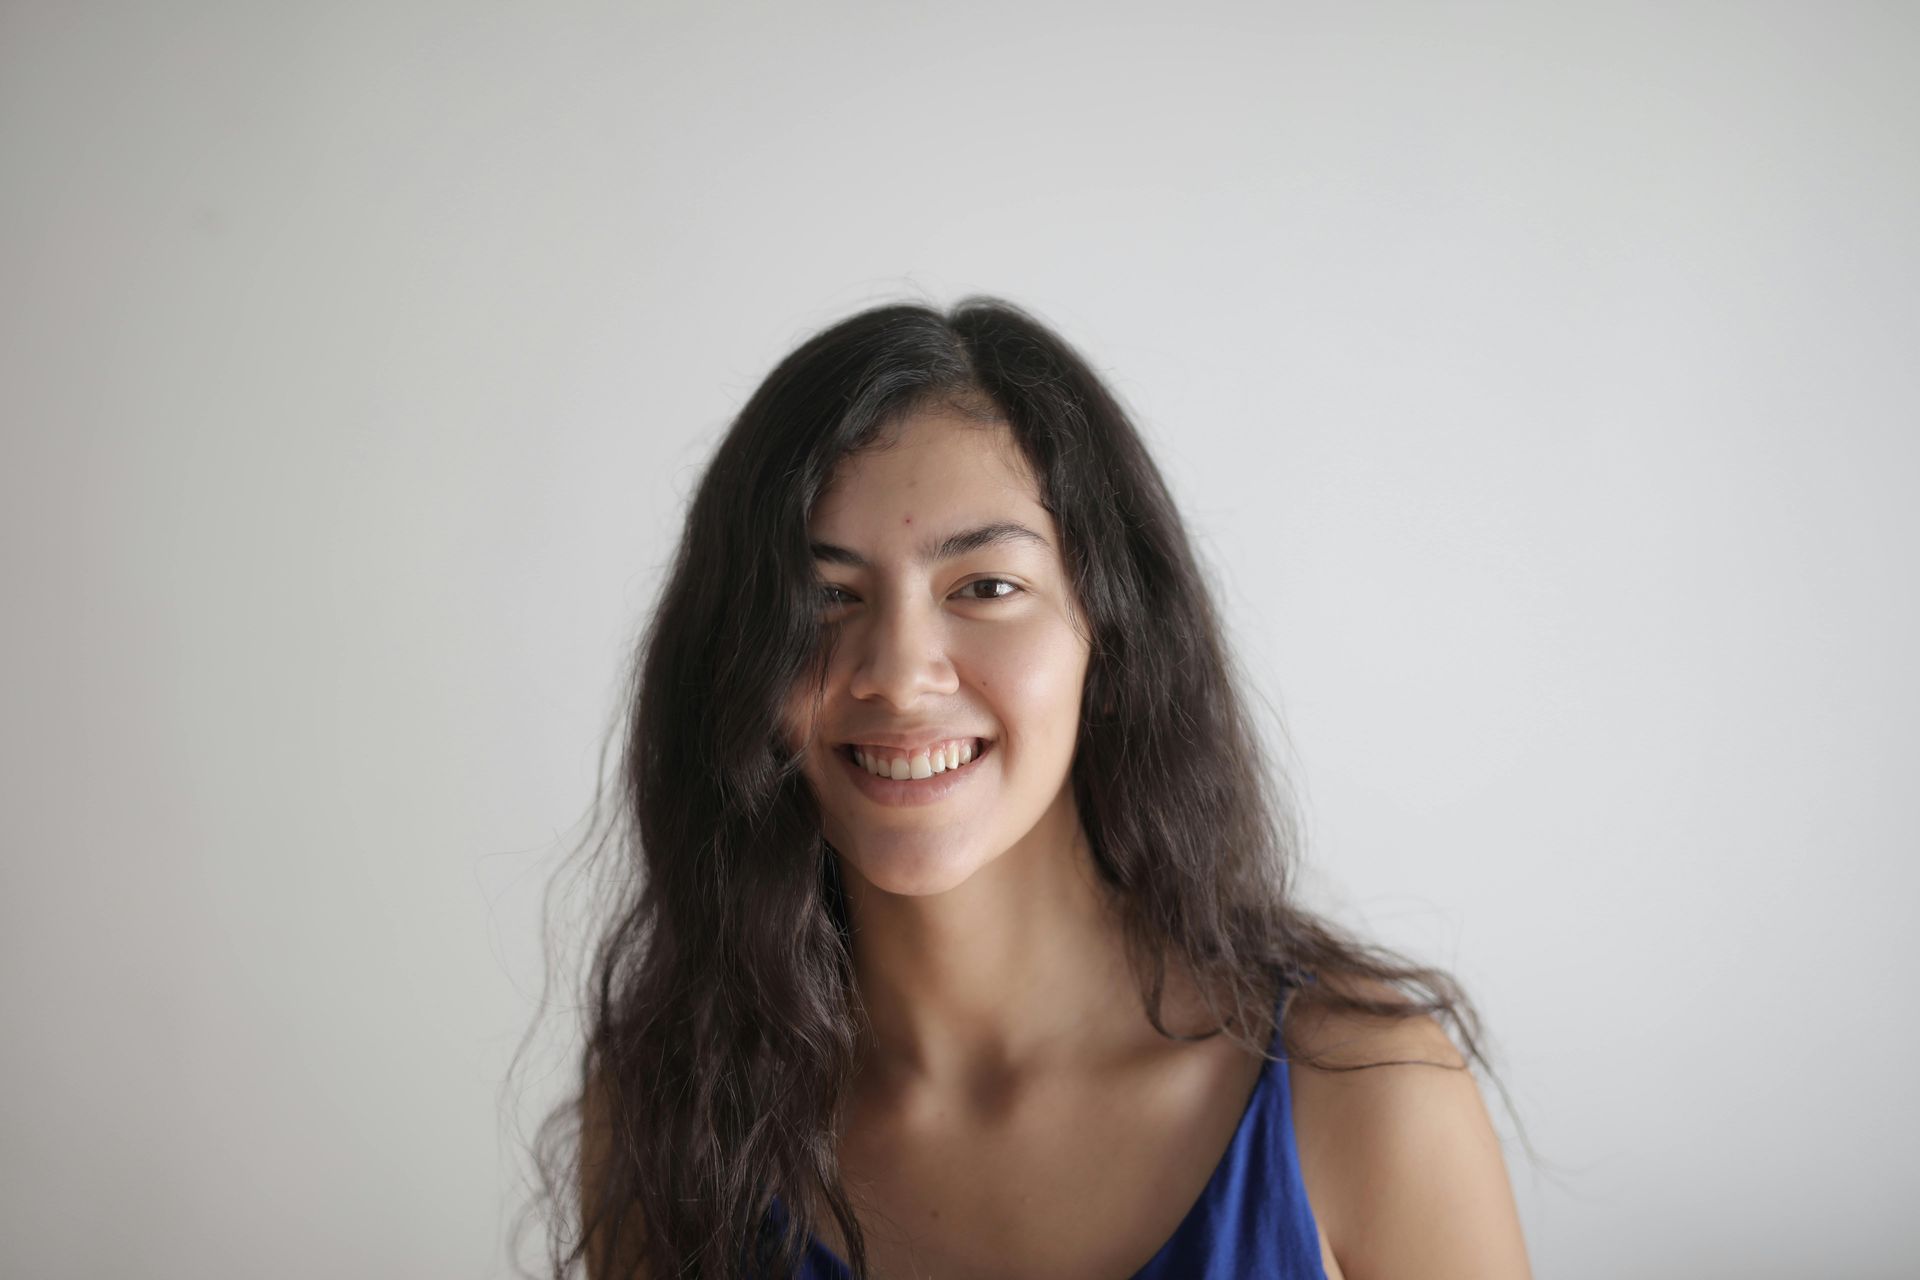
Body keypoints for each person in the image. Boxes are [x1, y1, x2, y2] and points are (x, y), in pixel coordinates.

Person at [540, 298, 1534, 1278]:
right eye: (824, 597)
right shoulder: (668, 1126)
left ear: (1112, 636)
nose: (896, 668)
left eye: (983, 586)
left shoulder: (1367, 1096)